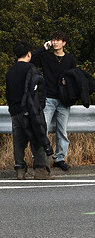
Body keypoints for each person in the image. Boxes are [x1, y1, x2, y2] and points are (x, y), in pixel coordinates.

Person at [6, 40, 54, 180]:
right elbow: (38, 91)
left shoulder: (10, 71)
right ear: (28, 54)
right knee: (37, 139)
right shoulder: (31, 69)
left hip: (15, 111)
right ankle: (41, 171)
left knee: (18, 142)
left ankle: (20, 170)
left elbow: (8, 94)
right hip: (30, 110)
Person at [31, 30, 77, 171]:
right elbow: (30, 60)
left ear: (64, 43)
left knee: (62, 131)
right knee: (41, 128)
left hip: (64, 99)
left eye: (58, 40)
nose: (55, 42)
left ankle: (59, 158)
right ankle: (40, 158)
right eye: (53, 40)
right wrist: (43, 48)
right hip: (48, 98)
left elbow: (75, 77)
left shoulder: (70, 59)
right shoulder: (46, 56)